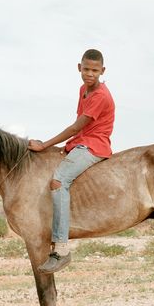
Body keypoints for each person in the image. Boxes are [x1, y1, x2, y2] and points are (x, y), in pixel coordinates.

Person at [28, 48, 115, 274]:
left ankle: (62, 249)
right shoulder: (83, 90)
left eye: (95, 71)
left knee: (58, 181)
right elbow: (79, 127)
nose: (90, 74)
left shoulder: (100, 96)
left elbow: (76, 127)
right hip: (81, 142)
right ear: (79, 68)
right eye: (86, 69)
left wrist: (44, 145)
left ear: (103, 71)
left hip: (94, 145)